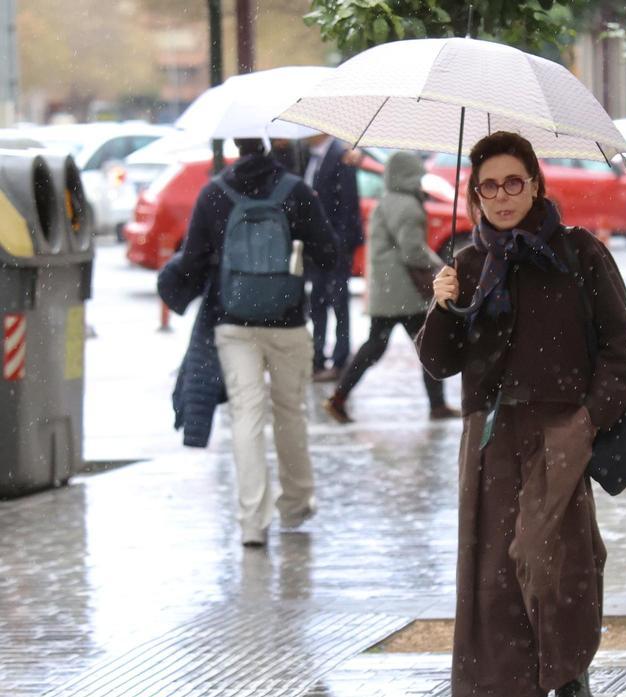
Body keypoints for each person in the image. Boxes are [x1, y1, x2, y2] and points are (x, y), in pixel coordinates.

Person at [416, 131, 626, 697]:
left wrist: (590, 419)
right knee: (493, 570)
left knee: (550, 557)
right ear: (475, 195)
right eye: (489, 186)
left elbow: (620, 345)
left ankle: (569, 673)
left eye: (514, 182)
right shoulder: (466, 266)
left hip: (561, 426)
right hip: (490, 433)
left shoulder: (578, 254)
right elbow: (439, 363)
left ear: (536, 184)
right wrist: (443, 308)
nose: (503, 196)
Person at [157, 138, 338, 546]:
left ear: (236, 144)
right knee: (290, 411)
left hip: (232, 322)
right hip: (288, 321)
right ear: (272, 145)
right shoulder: (296, 191)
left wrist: (176, 279)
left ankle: (252, 522)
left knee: (247, 415)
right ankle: (295, 501)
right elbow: (329, 253)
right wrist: (298, 259)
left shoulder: (214, 194)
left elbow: (192, 261)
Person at [323, 151, 460, 423]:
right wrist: (441, 266)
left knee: (376, 345)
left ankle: (338, 398)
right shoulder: (408, 205)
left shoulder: (385, 202)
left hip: (387, 290)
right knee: (428, 345)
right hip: (405, 292)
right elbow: (411, 251)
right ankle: (437, 405)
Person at [303, 133, 364, 382]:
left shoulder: (341, 157)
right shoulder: (309, 157)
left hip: (336, 247)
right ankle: (317, 358)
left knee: (338, 303)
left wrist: (339, 245)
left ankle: (340, 360)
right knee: (317, 303)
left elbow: (348, 206)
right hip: (317, 247)